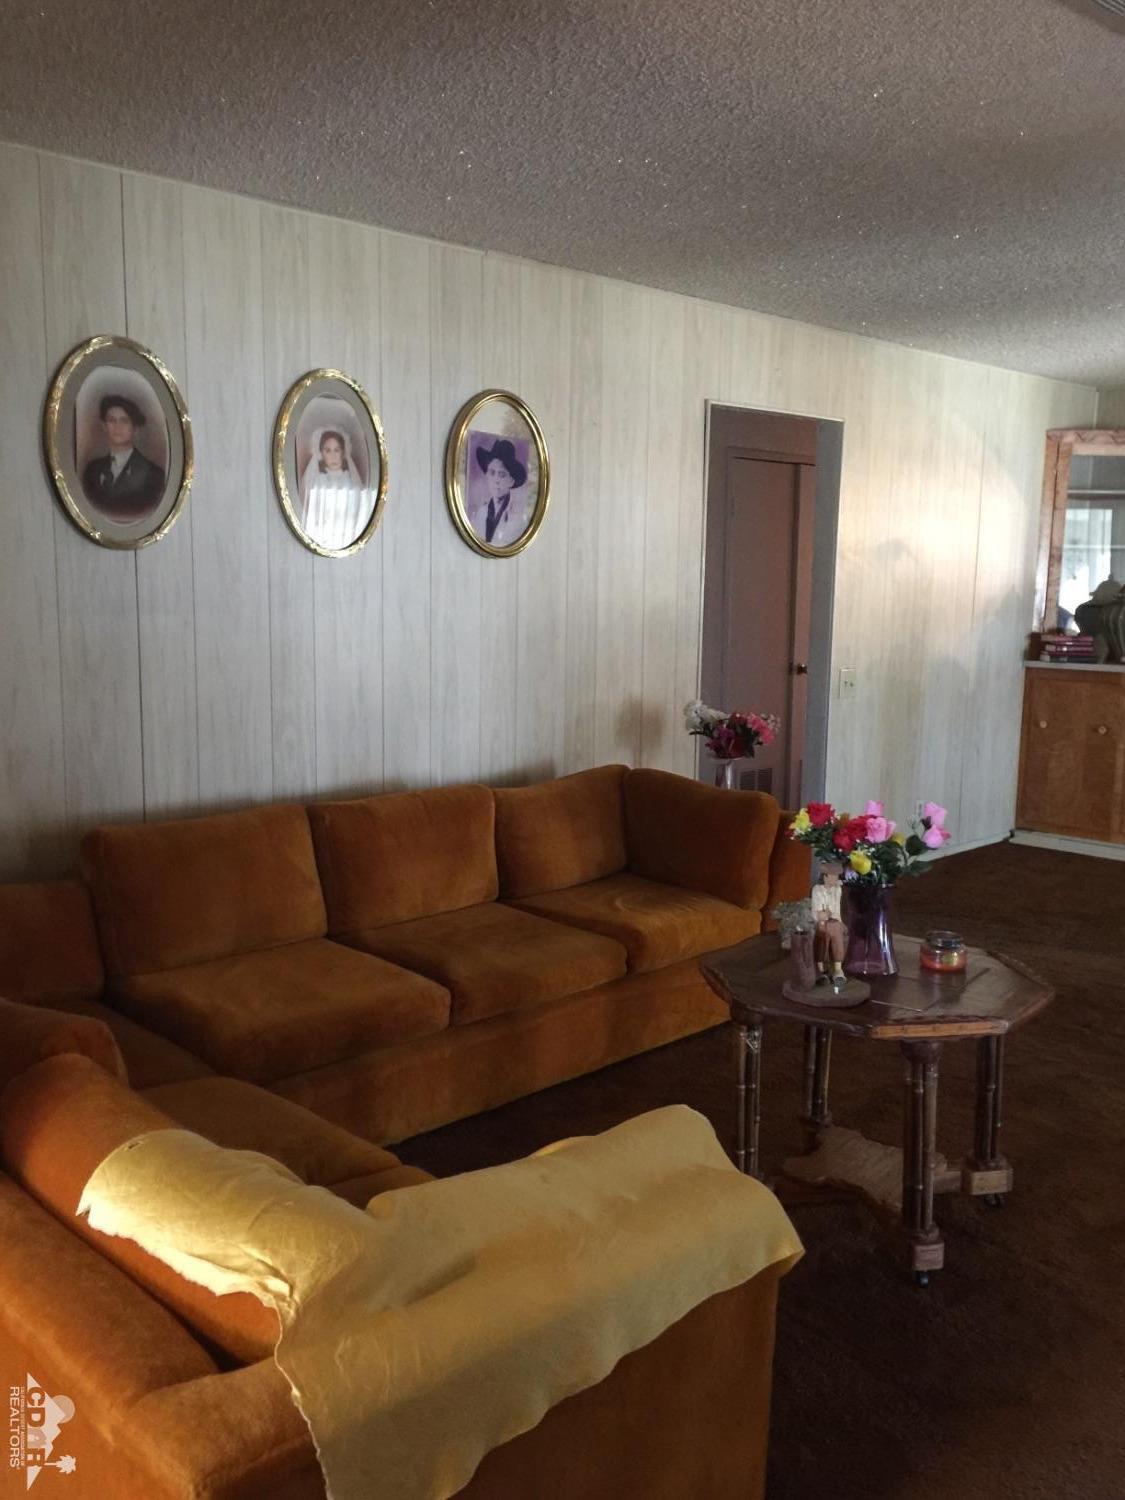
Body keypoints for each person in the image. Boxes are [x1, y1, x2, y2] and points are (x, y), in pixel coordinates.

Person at [81, 394, 166, 519]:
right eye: (111, 420)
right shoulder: (92, 471)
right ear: (104, 427)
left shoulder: (153, 474)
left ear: (135, 429)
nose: (117, 427)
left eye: (124, 421)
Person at [299, 427, 370, 550]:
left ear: (343, 452)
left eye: (337, 450)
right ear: (321, 453)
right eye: (328, 451)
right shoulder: (317, 482)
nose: (333, 456)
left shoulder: (351, 483)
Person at [469, 437, 529, 546]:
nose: (496, 480)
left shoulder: (518, 517)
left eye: (502, 474)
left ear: (511, 481)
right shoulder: (481, 513)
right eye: (492, 473)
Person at [811, 861, 848, 991]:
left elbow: (836, 909)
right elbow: (818, 912)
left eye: (836, 877)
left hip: (834, 921)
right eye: (832, 876)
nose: (835, 879)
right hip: (822, 922)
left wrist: (838, 920)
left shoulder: (837, 889)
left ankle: (838, 970)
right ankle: (821, 970)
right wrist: (823, 915)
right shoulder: (817, 890)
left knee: (837, 934)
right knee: (823, 937)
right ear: (825, 876)